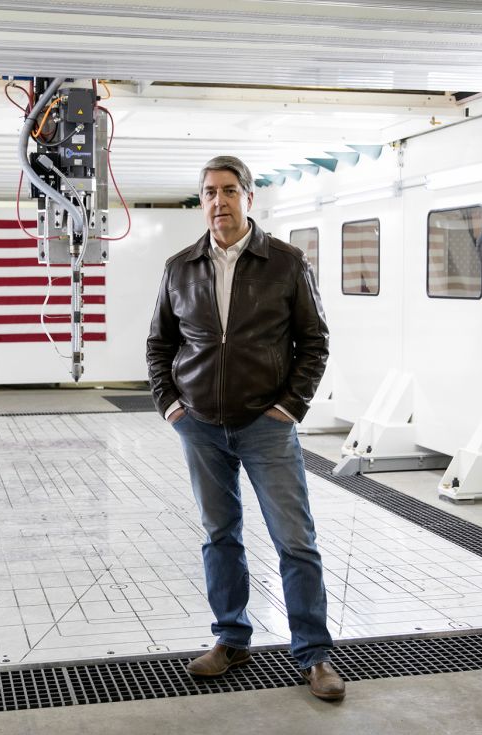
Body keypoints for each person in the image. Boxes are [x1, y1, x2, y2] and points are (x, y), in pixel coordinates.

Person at [146, 155, 344, 700]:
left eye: (229, 191)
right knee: (219, 536)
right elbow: (160, 344)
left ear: (248, 198)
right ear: (201, 200)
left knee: (295, 540)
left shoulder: (286, 263)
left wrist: (289, 407)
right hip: (201, 425)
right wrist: (171, 407)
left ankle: (315, 656)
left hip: (266, 425)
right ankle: (230, 639)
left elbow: (316, 341)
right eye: (209, 192)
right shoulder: (179, 267)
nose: (219, 202)